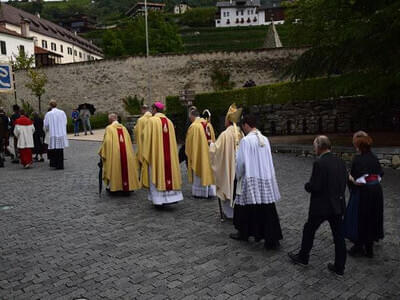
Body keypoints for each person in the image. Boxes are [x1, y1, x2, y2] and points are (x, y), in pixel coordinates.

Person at [288, 136, 348, 276]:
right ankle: (340, 266)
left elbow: (316, 186)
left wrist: (307, 186)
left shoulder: (319, 163)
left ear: (319, 147)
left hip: (321, 206)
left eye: (314, 146)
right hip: (337, 204)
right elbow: (343, 180)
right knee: (338, 236)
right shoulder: (340, 161)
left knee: (309, 229)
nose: (314, 149)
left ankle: (303, 256)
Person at [230, 114, 283, 249]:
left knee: (245, 206)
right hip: (265, 178)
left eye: (243, 127)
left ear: (246, 125)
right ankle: (272, 238)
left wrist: (238, 175)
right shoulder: (265, 139)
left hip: (250, 178)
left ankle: (244, 232)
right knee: (267, 207)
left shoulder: (246, 141)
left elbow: (241, 162)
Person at [345, 133, 384, 258]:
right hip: (376, 192)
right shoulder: (373, 157)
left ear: (359, 146)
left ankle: (358, 246)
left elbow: (356, 179)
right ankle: (369, 248)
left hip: (364, 193)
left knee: (361, 218)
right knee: (372, 217)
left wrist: (349, 177)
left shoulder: (358, 159)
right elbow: (380, 174)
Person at [142, 102, 183, 206]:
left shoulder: (151, 121)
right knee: (169, 172)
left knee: (156, 173)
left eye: (152, 109)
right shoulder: (169, 122)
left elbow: (145, 137)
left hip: (156, 156)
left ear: (155, 110)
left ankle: (158, 200)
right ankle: (172, 197)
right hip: (169, 155)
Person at [209, 103, 243, 219]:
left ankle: (229, 214)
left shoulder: (225, 135)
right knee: (236, 188)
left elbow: (216, 150)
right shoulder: (240, 133)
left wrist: (211, 145)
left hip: (228, 169)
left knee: (228, 186)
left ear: (227, 120)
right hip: (238, 168)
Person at [99, 113, 140, 193]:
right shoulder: (124, 128)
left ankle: (115, 187)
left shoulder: (109, 128)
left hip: (115, 154)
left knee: (115, 168)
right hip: (126, 153)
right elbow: (129, 141)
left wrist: (102, 151)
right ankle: (127, 186)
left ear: (111, 119)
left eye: (109, 119)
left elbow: (107, 141)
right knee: (126, 168)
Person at [185, 106, 216, 198]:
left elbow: (189, 143)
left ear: (192, 116)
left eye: (189, 116)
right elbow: (213, 139)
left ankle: (200, 192)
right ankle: (210, 190)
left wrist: (190, 153)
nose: (189, 118)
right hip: (209, 154)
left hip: (199, 154)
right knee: (209, 170)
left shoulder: (194, 126)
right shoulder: (208, 124)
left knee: (200, 169)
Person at [44, 100, 68, 170]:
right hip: (61, 133)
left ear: (50, 105)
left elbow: (46, 125)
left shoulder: (48, 114)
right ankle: (61, 165)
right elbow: (65, 122)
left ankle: (55, 164)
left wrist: (47, 129)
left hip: (53, 133)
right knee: (60, 149)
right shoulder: (62, 112)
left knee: (54, 149)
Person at [133, 104, 152, 181]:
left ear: (142, 110)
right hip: (152, 144)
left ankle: (142, 178)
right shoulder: (153, 118)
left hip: (143, 144)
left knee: (141, 159)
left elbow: (137, 131)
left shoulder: (141, 120)